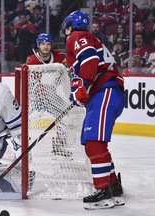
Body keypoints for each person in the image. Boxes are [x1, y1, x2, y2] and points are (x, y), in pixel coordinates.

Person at [61, 11, 125, 210]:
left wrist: (83, 85)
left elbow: (89, 60)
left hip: (105, 91)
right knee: (94, 144)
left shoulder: (77, 36)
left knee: (93, 143)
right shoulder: (87, 38)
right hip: (105, 93)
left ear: (70, 25)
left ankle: (103, 192)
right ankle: (113, 186)